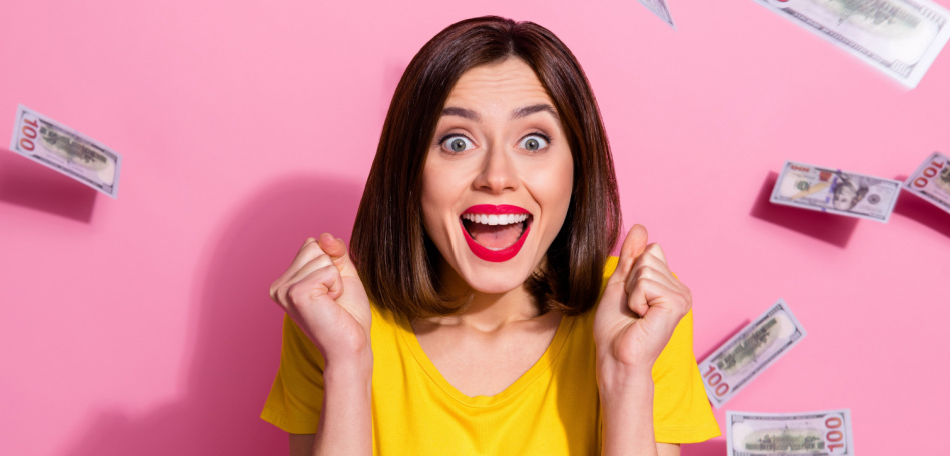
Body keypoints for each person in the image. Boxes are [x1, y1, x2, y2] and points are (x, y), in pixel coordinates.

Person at [263, 16, 719, 455]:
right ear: (408, 170)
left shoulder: (637, 314)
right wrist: (349, 364)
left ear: (578, 169)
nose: (497, 177)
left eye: (534, 141)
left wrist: (625, 374)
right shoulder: (334, 318)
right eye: (457, 142)